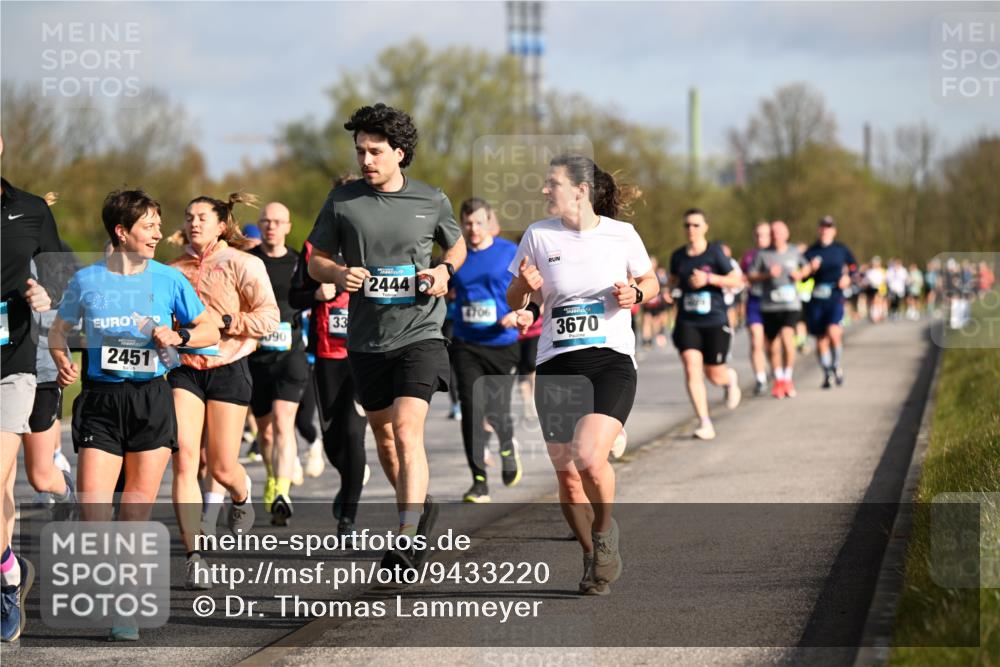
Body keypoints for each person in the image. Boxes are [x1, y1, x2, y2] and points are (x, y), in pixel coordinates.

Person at [48, 189, 220, 640]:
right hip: (102, 402)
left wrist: (178, 336)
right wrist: (63, 359)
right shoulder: (86, 281)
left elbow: (210, 328)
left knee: (134, 514)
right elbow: (58, 331)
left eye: (159, 226)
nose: (159, 234)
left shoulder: (169, 280)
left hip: (150, 400)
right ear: (121, 232)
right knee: (93, 511)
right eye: (148, 226)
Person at [307, 103, 465, 572]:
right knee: (385, 440)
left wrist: (444, 269)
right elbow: (316, 260)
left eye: (375, 151)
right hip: (366, 338)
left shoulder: (430, 199)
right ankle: (418, 508)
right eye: (360, 151)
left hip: (420, 332)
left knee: (406, 430)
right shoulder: (342, 202)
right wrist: (338, 271)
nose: (366, 160)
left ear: (399, 153)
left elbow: (454, 243)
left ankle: (405, 536)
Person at [507, 154, 658, 596]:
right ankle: (590, 555)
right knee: (567, 474)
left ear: (580, 189)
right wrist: (525, 288)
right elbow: (516, 297)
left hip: (609, 359)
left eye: (551, 182)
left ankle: (605, 533)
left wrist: (635, 292)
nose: (544, 190)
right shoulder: (537, 235)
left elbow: (651, 282)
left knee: (590, 458)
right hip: (556, 362)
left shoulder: (621, 235)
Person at [168, 193, 279, 589]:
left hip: (229, 366)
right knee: (183, 459)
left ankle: (240, 490)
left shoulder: (243, 263)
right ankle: (194, 556)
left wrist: (229, 321)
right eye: (188, 216)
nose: (194, 222)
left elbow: (270, 316)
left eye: (202, 217)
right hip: (185, 370)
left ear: (221, 225)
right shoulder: (171, 270)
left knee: (220, 466)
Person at [1, 142, 64, 642]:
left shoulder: (30, 210)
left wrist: (47, 294)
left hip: (13, 365)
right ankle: (10, 569)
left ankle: (3, 591)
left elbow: (62, 276)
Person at [449, 198, 531, 503]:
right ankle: (478, 481)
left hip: (501, 342)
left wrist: (518, 312)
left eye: (479, 223)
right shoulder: (456, 256)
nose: (473, 229)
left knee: (497, 412)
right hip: (466, 342)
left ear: (489, 222)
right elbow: (447, 287)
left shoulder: (509, 252)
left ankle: (508, 447)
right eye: (468, 223)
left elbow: (527, 291)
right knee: (471, 410)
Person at [246, 202, 310, 526]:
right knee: (266, 433)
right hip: (257, 358)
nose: (271, 227)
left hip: (291, 354)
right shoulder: (248, 261)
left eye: (277, 222)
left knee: (285, 421)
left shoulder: (300, 262)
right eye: (266, 221)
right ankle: (273, 478)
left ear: (287, 226)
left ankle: (283, 491)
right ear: (260, 225)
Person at [668, 209, 744, 441]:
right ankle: (704, 422)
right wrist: (670, 293)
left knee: (714, 375)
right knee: (692, 367)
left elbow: (737, 280)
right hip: (687, 322)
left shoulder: (715, 253)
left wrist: (710, 279)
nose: (691, 229)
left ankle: (729, 380)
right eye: (687, 225)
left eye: (696, 225)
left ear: (705, 227)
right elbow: (672, 282)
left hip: (715, 321)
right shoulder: (678, 256)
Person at [748, 220, 807, 399]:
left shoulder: (794, 251)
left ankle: (788, 377)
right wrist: (767, 275)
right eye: (773, 233)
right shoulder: (763, 254)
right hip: (769, 306)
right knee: (773, 347)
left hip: (790, 305)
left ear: (787, 234)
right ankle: (779, 380)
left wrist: (801, 274)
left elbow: (807, 267)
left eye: (780, 232)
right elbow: (751, 275)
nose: (776, 236)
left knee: (788, 340)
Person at [803, 215, 858, 388]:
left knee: (834, 332)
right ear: (819, 230)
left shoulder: (841, 249)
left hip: (835, 295)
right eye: (823, 227)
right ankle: (827, 372)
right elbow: (801, 277)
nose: (825, 230)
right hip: (817, 296)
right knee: (820, 339)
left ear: (834, 231)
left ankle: (836, 365)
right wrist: (810, 270)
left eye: (829, 227)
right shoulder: (811, 252)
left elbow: (854, 267)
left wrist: (848, 277)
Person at [740, 222, 771, 395]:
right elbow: (741, 276)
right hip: (754, 302)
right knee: (756, 340)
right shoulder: (748, 256)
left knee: (772, 345)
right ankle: (760, 379)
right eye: (758, 235)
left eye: (764, 235)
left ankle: (778, 373)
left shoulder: (776, 254)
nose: (760, 238)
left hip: (774, 304)